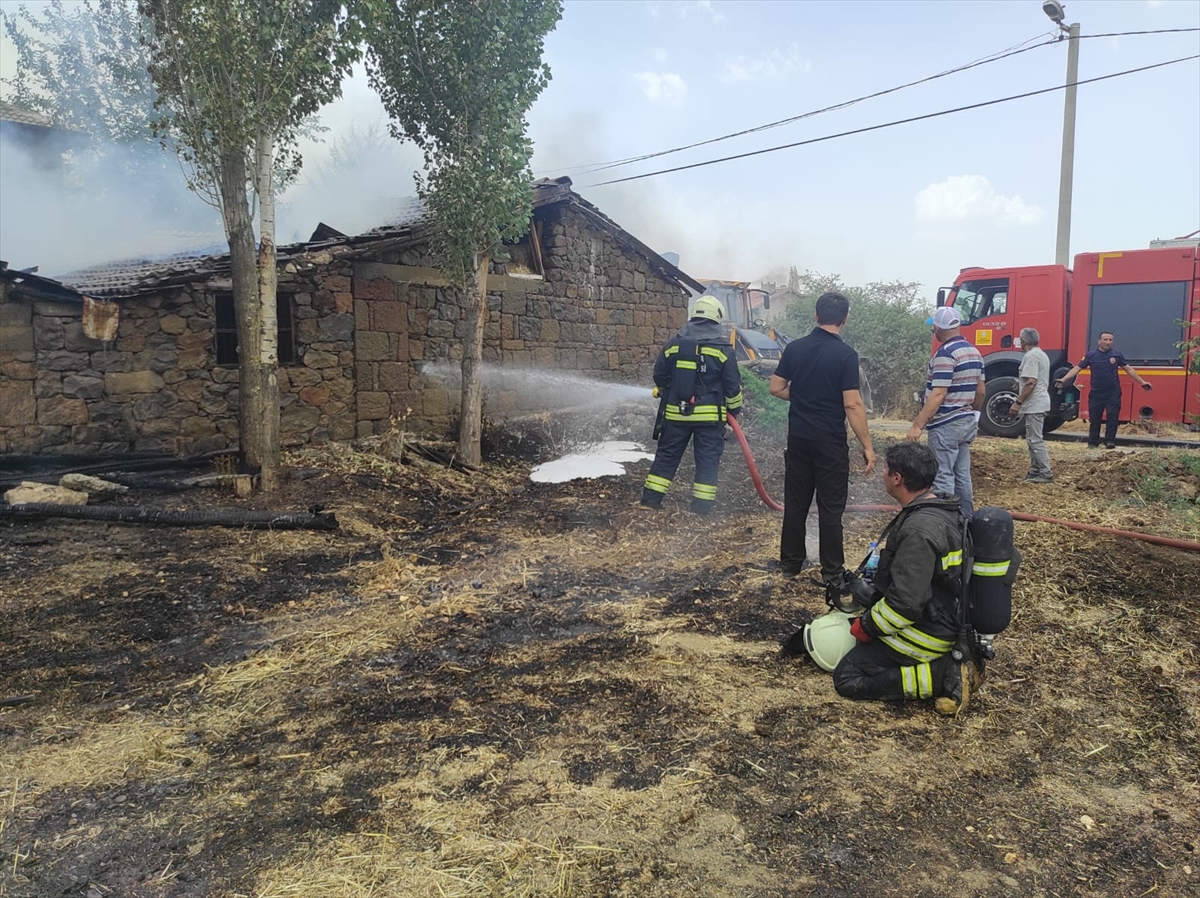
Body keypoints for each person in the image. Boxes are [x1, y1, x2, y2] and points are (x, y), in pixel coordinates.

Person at [831, 442, 981, 716]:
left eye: (886, 469)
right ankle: (945, 665)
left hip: (930, 632)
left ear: (897, 478)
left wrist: (866, 627)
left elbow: (906, 604)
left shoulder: (918, 531)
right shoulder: (942, 509)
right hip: (946, 617)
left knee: (848, 677)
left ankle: (943, 675)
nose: (883, 474)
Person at [769, 291, 876, 587]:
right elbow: (853, 404)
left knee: (796, 503)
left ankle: (790, 564)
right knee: (830, 507)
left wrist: (803, 394)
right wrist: (867, 446)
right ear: (845, 318)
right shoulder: (845, 355)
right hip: (829, 443)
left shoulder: (795, 349)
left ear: (815, 316)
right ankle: (831, 571)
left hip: (799, 439)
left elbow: (776, 387)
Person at [641, 295, 743, 514]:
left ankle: (650, 501)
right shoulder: (722, 348)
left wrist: (670, 391)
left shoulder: (674, 343)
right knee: (707, 462)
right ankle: (701, 510)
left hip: (676, 415)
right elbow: (733, 386)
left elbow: (659, 375)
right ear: (716, 317)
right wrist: (733, 410)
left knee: (667, 457)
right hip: (709, 420)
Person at [906, 306, 985, 518]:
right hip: (966, 421)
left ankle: (944, 523)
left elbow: (939, 393)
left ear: (938, 329)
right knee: (962, 476)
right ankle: (966, 523)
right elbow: (981, 391)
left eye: (934, 328)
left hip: (945, 425)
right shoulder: (974, 352)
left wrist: (917, 424)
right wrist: (974, 417)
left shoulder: (945, 354)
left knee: (943, 477)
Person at [1055, 331, 1153, 449]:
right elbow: (1077, 368)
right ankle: (1093, 442)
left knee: (1113, 417)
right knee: (1095, 418)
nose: (1108, 342)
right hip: (1096, 392)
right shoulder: (1091, 355)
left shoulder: (1116, 355)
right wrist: (1064, 379)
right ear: (1099, 341)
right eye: (1105, 340)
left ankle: (1110, 441)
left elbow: (1129, 369)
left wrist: (1142, 382)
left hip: (1113, 392)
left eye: (1110, 340)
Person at [1009, 327, 1053, 483]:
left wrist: (1018, 402)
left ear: (1023, 341)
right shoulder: (1041, 354)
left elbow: (1031, 382)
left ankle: (1045, 473)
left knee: (1035, 440)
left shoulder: (1031, 356)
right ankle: (1035, 471)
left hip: (1035, 403)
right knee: (1031, 439)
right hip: (1039, 402)